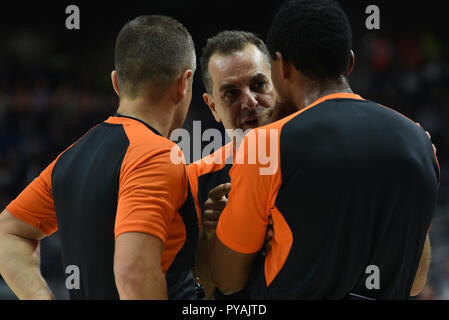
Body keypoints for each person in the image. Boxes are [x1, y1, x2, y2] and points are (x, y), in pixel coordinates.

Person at [209, 0, 440, 299]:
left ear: (282, 66)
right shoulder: (420, 142)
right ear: (351, 63)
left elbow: (227, 279)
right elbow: (416, 282)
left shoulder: (265, 145)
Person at [0, 15, 199, 300]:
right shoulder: (156, 154)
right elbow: (133, 272)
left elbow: (8, 233)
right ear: (185, 83)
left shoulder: (69, 158)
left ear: (116, 83)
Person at [187, 31, 277, 299]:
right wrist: (208, 236)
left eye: (259, 84)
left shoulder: (317, 163)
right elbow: (199, 294)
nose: (249, 101)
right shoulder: (195, 181)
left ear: (278, 85)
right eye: (231, 93)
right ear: (212, 106)